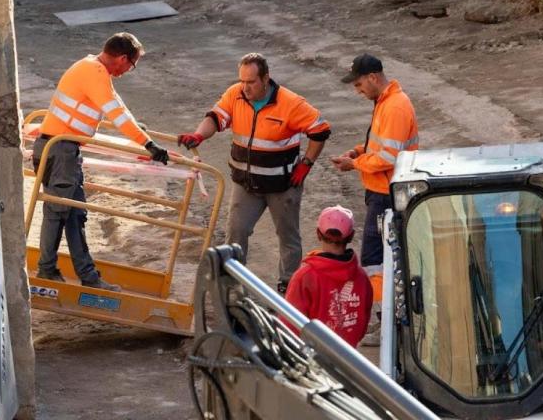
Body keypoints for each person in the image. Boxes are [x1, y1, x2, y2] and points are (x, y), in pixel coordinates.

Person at [177, 53, 331, 292]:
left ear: (266, 78)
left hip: (282, 185)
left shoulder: (291, 103)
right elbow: (215, 119)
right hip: (245, 183)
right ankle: (233, 285)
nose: (245, 88)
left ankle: (288, 286)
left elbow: (320, 130)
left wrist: (307, 163)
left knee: (287, 237)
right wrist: (198, 135)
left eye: (251, 82)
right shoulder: (234, 94)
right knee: (235, 232)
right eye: (242, 81)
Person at [34, 32, 170, 291]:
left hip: (63, 150)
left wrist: (141, 133)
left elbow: (118, 107)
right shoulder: (94, 72)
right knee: (57, 213)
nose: (130, 70)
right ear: (121, 58)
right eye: (132, 64)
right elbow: (117, 113)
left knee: (74, 215)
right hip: (59, 150)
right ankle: (47, 270)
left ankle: (88, 277)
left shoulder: (92, 69)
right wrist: (148, 144)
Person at [330, 53, 418, 287]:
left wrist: (354, 163)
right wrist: (359, 151)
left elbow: (389, 157)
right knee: (382, 257)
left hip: (386, 194)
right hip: (382, 191)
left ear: (373, 77)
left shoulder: (394, 107)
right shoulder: (386, 102)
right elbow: (382, 145)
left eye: (358, 84)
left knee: (374, 259)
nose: (358, 90)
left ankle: (384, 316)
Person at [284, 206, 373, 347]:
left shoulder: (305, 276)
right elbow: (362, 324)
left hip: (314, 360)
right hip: (349, 359)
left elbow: (290, 325)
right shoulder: (362, 278)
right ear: (351, 236)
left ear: (318, 234)